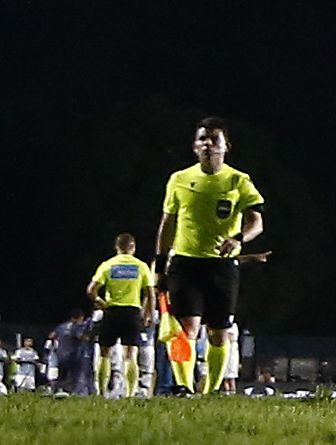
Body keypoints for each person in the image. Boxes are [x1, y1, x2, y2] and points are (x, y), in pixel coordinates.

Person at [155, 118, 265, 395]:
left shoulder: (238, 180)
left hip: (222, 266)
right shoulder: (179, 179)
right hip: (185, 262)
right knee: (185, 329)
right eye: (202, 138)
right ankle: (183, 386)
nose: (208, 144)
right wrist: (159, 264)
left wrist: (238, 238)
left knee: (218, 332)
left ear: (226, 146)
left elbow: (256, 223)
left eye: (214, 139)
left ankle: (212, 391)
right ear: (194, 146)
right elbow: (167, 224)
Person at [87, 233, 154, 397]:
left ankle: (102, 392)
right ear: (133, 247)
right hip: (132, 313)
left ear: (116, 248)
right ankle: (130, 393)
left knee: (105, 352)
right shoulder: (141, 266)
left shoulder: (108, 265)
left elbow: (91, 290)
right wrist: (147, 314)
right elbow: (150, 294)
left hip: (112, 311)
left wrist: (101, 302)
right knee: (131, 354)